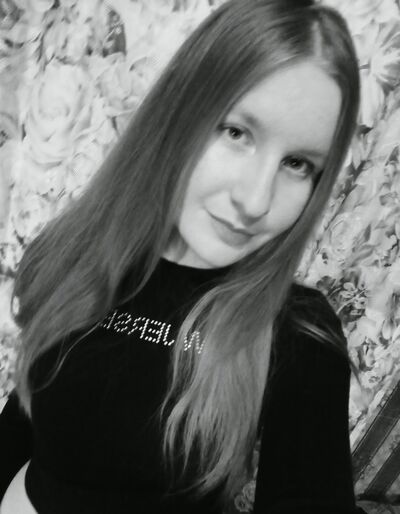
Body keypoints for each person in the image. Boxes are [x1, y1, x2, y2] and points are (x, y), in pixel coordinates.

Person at [0, 0, 364, 512]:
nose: (255, 200)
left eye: (298, 164)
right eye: (236, 133)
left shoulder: (299, 335)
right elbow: (25, 418)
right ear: (178, 115)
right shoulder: (76, 254)